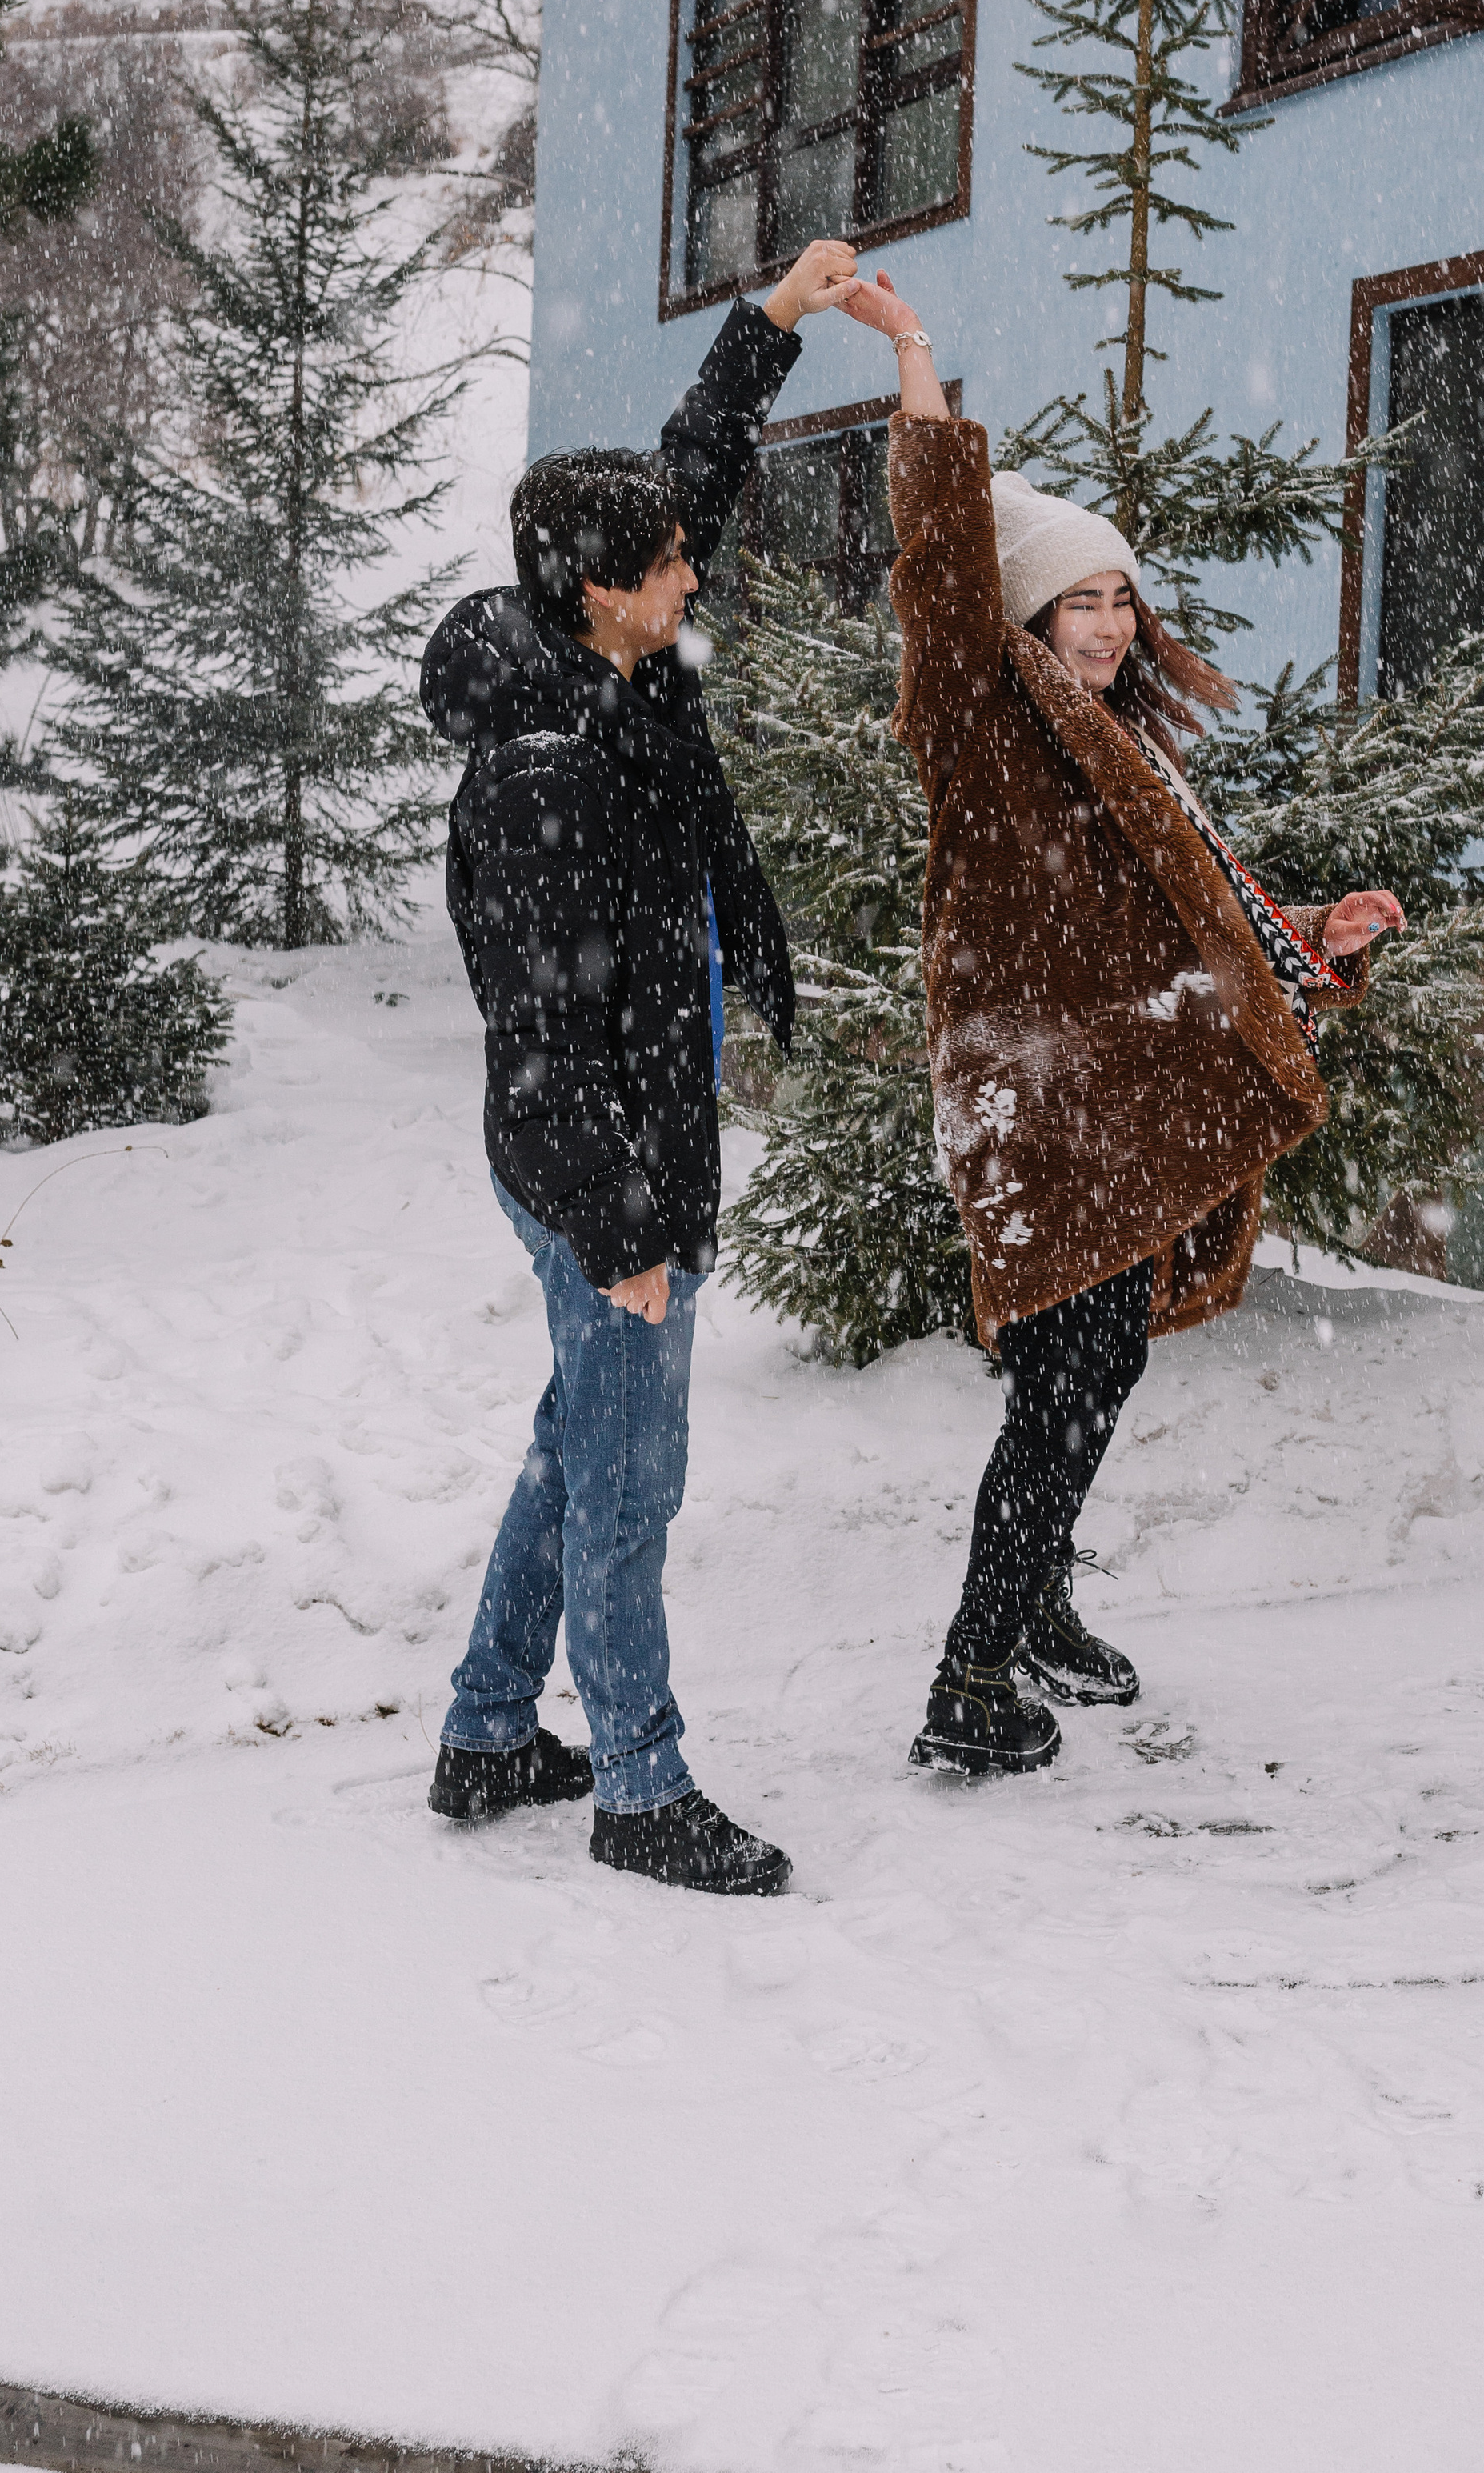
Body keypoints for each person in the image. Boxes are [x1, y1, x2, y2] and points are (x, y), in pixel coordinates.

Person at [835, 266, 1405, 1778]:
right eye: (1079, 596)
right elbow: (941, 558)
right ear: (1024, 607)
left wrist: (1312, 949)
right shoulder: (979, 709)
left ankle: (1031, 1608)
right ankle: (971, 1674)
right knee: (1068, 1377)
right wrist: (912, 351)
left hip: (1110, 1095)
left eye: (1118, 595)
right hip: (1035, 1100)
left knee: (1099, 1365)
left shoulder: (1118, 746)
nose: (1108, 620)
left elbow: (1198, 907)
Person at [419, 239, 861, 1892]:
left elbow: (691, 472)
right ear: (590, 585)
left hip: (636, 1134)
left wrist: (777, 321)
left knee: (574, 1445)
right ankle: (638, 1787)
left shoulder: (619, 675)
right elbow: (536, 1043)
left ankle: (483, 1732)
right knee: (626, 1483)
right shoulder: (541, 773)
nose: (693, 576)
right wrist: (624, 1233)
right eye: (664, 566)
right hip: (591, 1161)